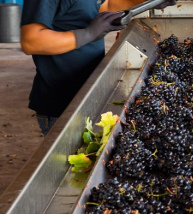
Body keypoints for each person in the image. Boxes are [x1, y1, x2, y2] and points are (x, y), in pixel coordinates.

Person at [20, 0, 175, 135]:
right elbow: (31, 41)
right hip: (62, 106)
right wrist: (87, 34)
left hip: (88, 93)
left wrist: (149, 2)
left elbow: (106, 6)